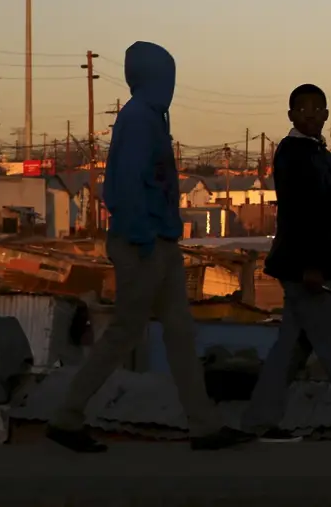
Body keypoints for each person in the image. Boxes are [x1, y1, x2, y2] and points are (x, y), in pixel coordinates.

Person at [47, 42, 251, 453]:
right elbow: (125, 184)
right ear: (155, 77)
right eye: (167, 76)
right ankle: (67, 417)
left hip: (159, 242)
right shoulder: (139, 119)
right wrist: (141, 236)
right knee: (126, 331)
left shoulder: (150, 117)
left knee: (179, 333)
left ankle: (204, 426)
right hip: (143, 243)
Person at [243, 83, 331, 442]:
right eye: (302, 108)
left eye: (317, 108)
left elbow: (326, 216)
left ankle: (257, 423)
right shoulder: (293, 154)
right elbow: (299, 213)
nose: (311, 114)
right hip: (306, 268)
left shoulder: (320, 154)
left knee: (290, 347)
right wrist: (312, 265)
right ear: (291, 115)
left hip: (318, 265)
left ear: (326, 113)